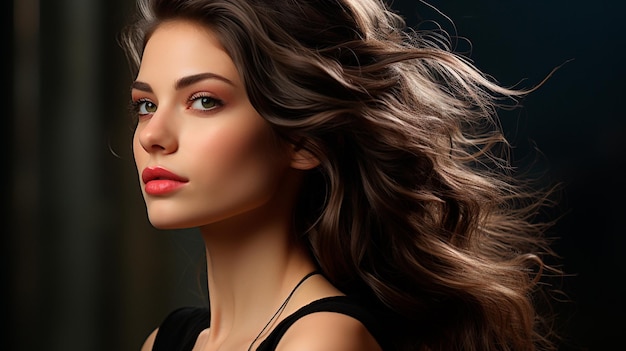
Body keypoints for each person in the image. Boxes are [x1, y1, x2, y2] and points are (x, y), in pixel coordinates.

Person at [120, 0, 563, 350]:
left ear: (304, 141)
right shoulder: (167, 341)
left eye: (204, 101)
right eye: (146, 105)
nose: (153, 136)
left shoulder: (324, 341)